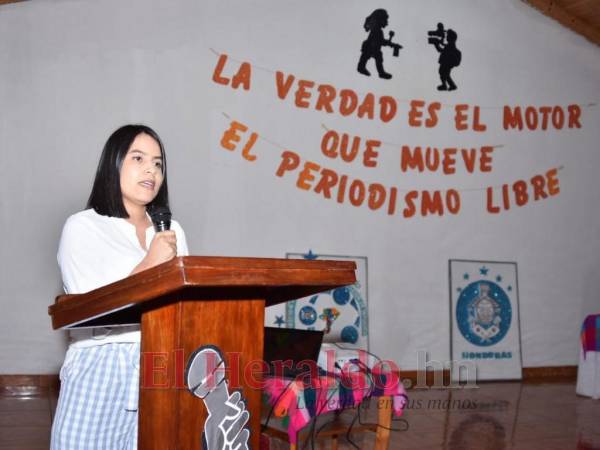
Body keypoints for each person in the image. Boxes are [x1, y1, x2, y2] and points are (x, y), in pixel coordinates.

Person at [50, 124, 189, 450]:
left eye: (158, 163)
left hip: (161, 363)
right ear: (113, 164)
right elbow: (95, 310)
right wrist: (150, 263)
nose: (151, 170)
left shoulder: (172, 230)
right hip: (102, 361)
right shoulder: (83, 226)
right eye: (138, 158)